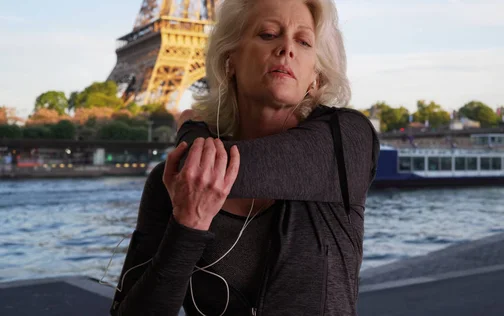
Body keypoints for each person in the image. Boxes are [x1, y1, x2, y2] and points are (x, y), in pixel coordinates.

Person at [109, 0, 380, 315]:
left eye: (304, 41)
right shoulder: (167, 182)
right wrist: (188, 226)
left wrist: (191, 135)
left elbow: (207, 169)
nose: (286, 48)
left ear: (315, 78)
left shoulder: (347, 140)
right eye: (267, 34)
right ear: (230, 61)